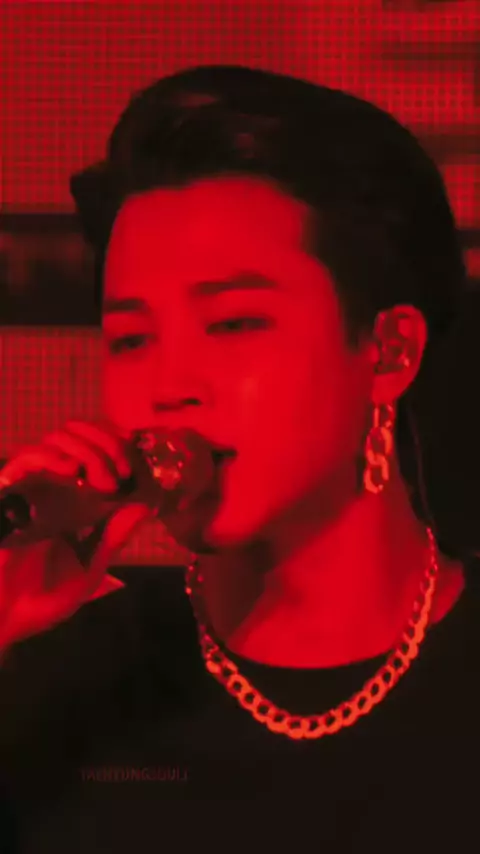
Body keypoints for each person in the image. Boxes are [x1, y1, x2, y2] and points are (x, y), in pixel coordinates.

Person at [0, 64, 477, 851]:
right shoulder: (60, 680)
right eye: (131, 339)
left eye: (232, 325)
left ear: (389, 350)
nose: (168, 388)